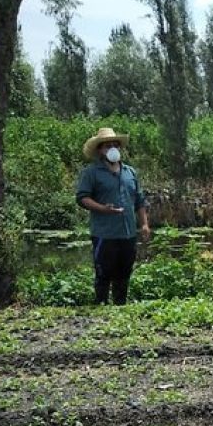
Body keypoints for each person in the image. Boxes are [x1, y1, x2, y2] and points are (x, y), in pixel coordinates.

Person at [75, 126, 149, 305]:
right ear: (100, 150)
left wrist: (144, 224)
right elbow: (82, 198)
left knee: (124, 273)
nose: (112, 148)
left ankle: (120, 307)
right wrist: (102, 208)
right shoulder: (91, 173)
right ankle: (101, 306)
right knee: (103, 273)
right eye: (107, 146)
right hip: (104, 233)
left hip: (128, 233)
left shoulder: (130, 172)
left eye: (115, 145)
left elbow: (139, 200)